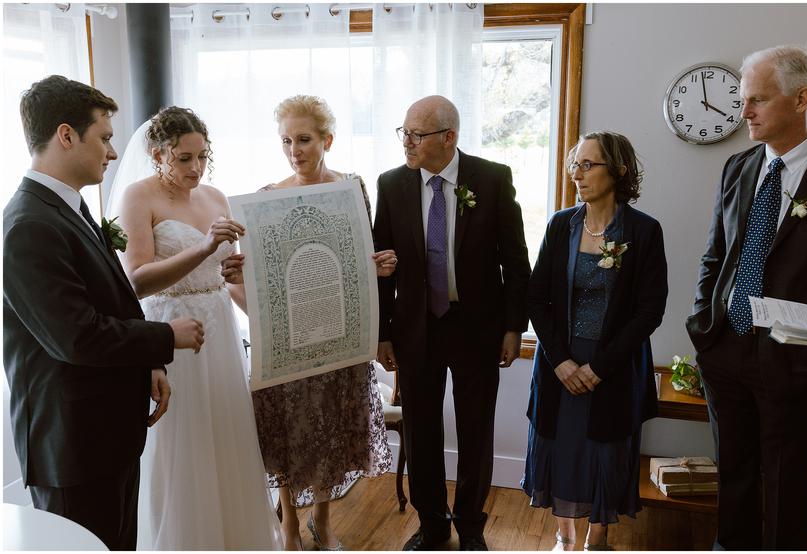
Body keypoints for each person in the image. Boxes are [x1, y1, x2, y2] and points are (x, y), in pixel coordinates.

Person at [3, 76, 204, 551]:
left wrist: (147, 364)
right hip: (72, 447)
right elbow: (76, 337)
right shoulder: (28, 224)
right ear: (67, 135)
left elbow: (109, 298)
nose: (113, 153)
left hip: (104, 435)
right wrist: (163, 337)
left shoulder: (66, 209)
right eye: (105, 138)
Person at [223, 94, 394, 551]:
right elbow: (257, 284)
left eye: (303, 139)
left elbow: (356, 260)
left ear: (327, 140)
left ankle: (321, 519)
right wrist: (245, 287)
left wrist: (376, 266)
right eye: (286, 141)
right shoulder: (264, 200)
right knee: (287, 434)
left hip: (338, 341)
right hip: (288, 346)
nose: (294, 150)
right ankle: (290, 526)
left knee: (332, 431)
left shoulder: (351, 190)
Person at [110, 106, 282, 549]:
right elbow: (138, 278)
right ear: (157, 153)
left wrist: (262, 316)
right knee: (181, 444)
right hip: (171, 328)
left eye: (202, 156)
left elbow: (228, 278)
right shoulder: (137, 196)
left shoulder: (216, 197)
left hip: (221, 330)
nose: (196, 167)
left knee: (226, 436)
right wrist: (206, 245)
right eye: (184, 158)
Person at [372, 95, 531, 551]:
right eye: (403, 132)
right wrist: (384, 331)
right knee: (421, 430)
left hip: (478, 326)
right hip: (415, 328)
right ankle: (433, 526)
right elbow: (384, 261)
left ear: (449, 138)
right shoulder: (392, 183)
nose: (407, 142)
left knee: (476, 428)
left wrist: (512, 327)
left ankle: (471, 528)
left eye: (416, 135)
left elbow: (516, 261)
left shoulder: (493, 178)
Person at [686, 45, 807, 551]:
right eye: (744, 100)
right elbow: (713, 255)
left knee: (786, 483)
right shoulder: (739, 167)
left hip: (797, 361)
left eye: (757, 101)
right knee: (734, 474)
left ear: (801, 98)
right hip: (724, 349)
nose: (742, 113)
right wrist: (703, 324)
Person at [522, 131, 668, 550]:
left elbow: (649, 311)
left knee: (603, 452)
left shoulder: (643, 231)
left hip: (613, 367)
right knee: (561, 446)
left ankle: (596, 539)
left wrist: (599, 367)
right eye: (575, 165)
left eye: (589, 165)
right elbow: (537, 297)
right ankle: (564, 537)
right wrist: (562, 362)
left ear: (618, 171)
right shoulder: (560, 224)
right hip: (560, 363)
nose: (578, 175)